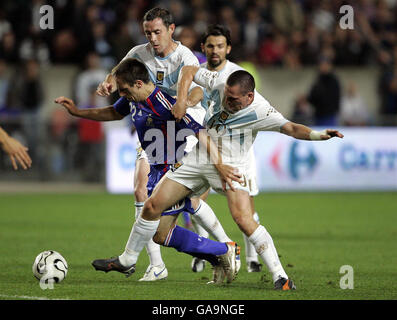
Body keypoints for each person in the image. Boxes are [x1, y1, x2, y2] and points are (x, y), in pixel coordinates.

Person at [55, 58, 242, 284]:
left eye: (124, 90)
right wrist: (77, 112)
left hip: (174, 170)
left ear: (140, 83)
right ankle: (222, 251)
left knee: (150, 208)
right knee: (161, 235)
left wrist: (220, 165)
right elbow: (113, 113)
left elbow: (200, 132)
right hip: (157, 168)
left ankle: (128, 260)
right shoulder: (133, 98)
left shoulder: (164, 104)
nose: (122, 95)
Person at [154, 68, 344, 291]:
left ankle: (280, 277)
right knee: (157, 218)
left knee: (243, 218)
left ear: (249, 97)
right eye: (226, 95)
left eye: (233, 99)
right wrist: (183, 99)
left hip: (231, 166)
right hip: (199, 156)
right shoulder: (219, 81)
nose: (226, 100)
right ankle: (220, 251)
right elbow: (188, 70)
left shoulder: (261, 111)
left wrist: (319, 135)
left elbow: (291, 128)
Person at [95, 7, 235, 281]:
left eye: (157, 32)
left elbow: (197, 87)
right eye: (148, 32)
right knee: (143, 193)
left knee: (178, 202)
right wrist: (109, 80)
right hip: (153, 127)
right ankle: (157, 264)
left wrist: (184, 101)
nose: (152, 38)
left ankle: (224, 246)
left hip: (181, 126)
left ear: (171, 30)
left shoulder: (185, 56)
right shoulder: (139, 52)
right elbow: (119, 69)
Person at [189, 25, 263, 274]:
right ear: (203, 48)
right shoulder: (196, 73)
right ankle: (204, 251)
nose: (215, 50)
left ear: (228, 48)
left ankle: (252, 256)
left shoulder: (238, 74)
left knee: (245, 207)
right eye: (210, 45)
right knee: (195, 199)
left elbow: (253, 108)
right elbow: (195, 98)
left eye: (220, 45)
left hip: (237, 149)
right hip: (207, 144)